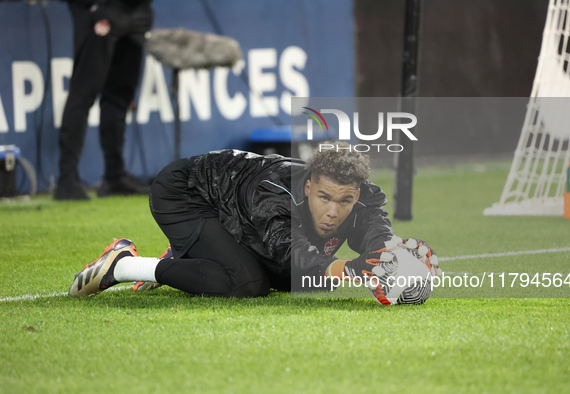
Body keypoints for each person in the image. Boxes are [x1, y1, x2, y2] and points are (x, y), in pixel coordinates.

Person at [68, 144, 440, 304]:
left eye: (345, 201)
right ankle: (122, 264)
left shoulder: (361, 196)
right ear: (308, 185)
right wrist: (352, 269)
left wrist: (388, 255)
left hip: (235, 213)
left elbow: (374, 226)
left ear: (356, 193)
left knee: (307, 283)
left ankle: (195, 250)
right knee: (246, 283)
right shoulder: (274, 194)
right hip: (187, 191)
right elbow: (287, 251)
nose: (333, 211)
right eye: (324, 198)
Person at [54, 0, 153, 200]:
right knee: (83, 92)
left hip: (138, 9)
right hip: (100, 7)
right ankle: (67, 180)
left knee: (120, 95)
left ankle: (115, 176)